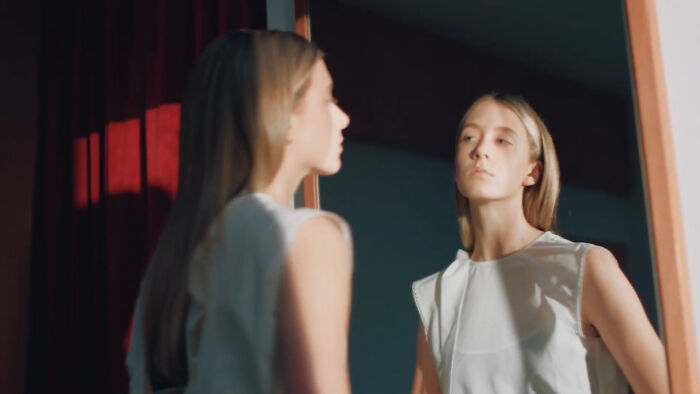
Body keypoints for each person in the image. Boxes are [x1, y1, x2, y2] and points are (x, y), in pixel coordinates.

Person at [126, 30, 352, 394]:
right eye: (328, 98)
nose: (343, 118)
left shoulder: (165, 270)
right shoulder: (307, 238)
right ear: (285, 115)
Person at [410, 93, 668, 394]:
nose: (480, 150)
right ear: (456, 167)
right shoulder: (439, 297)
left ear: (532, 172)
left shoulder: (585, 268)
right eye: (469, 137)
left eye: (502, 140)